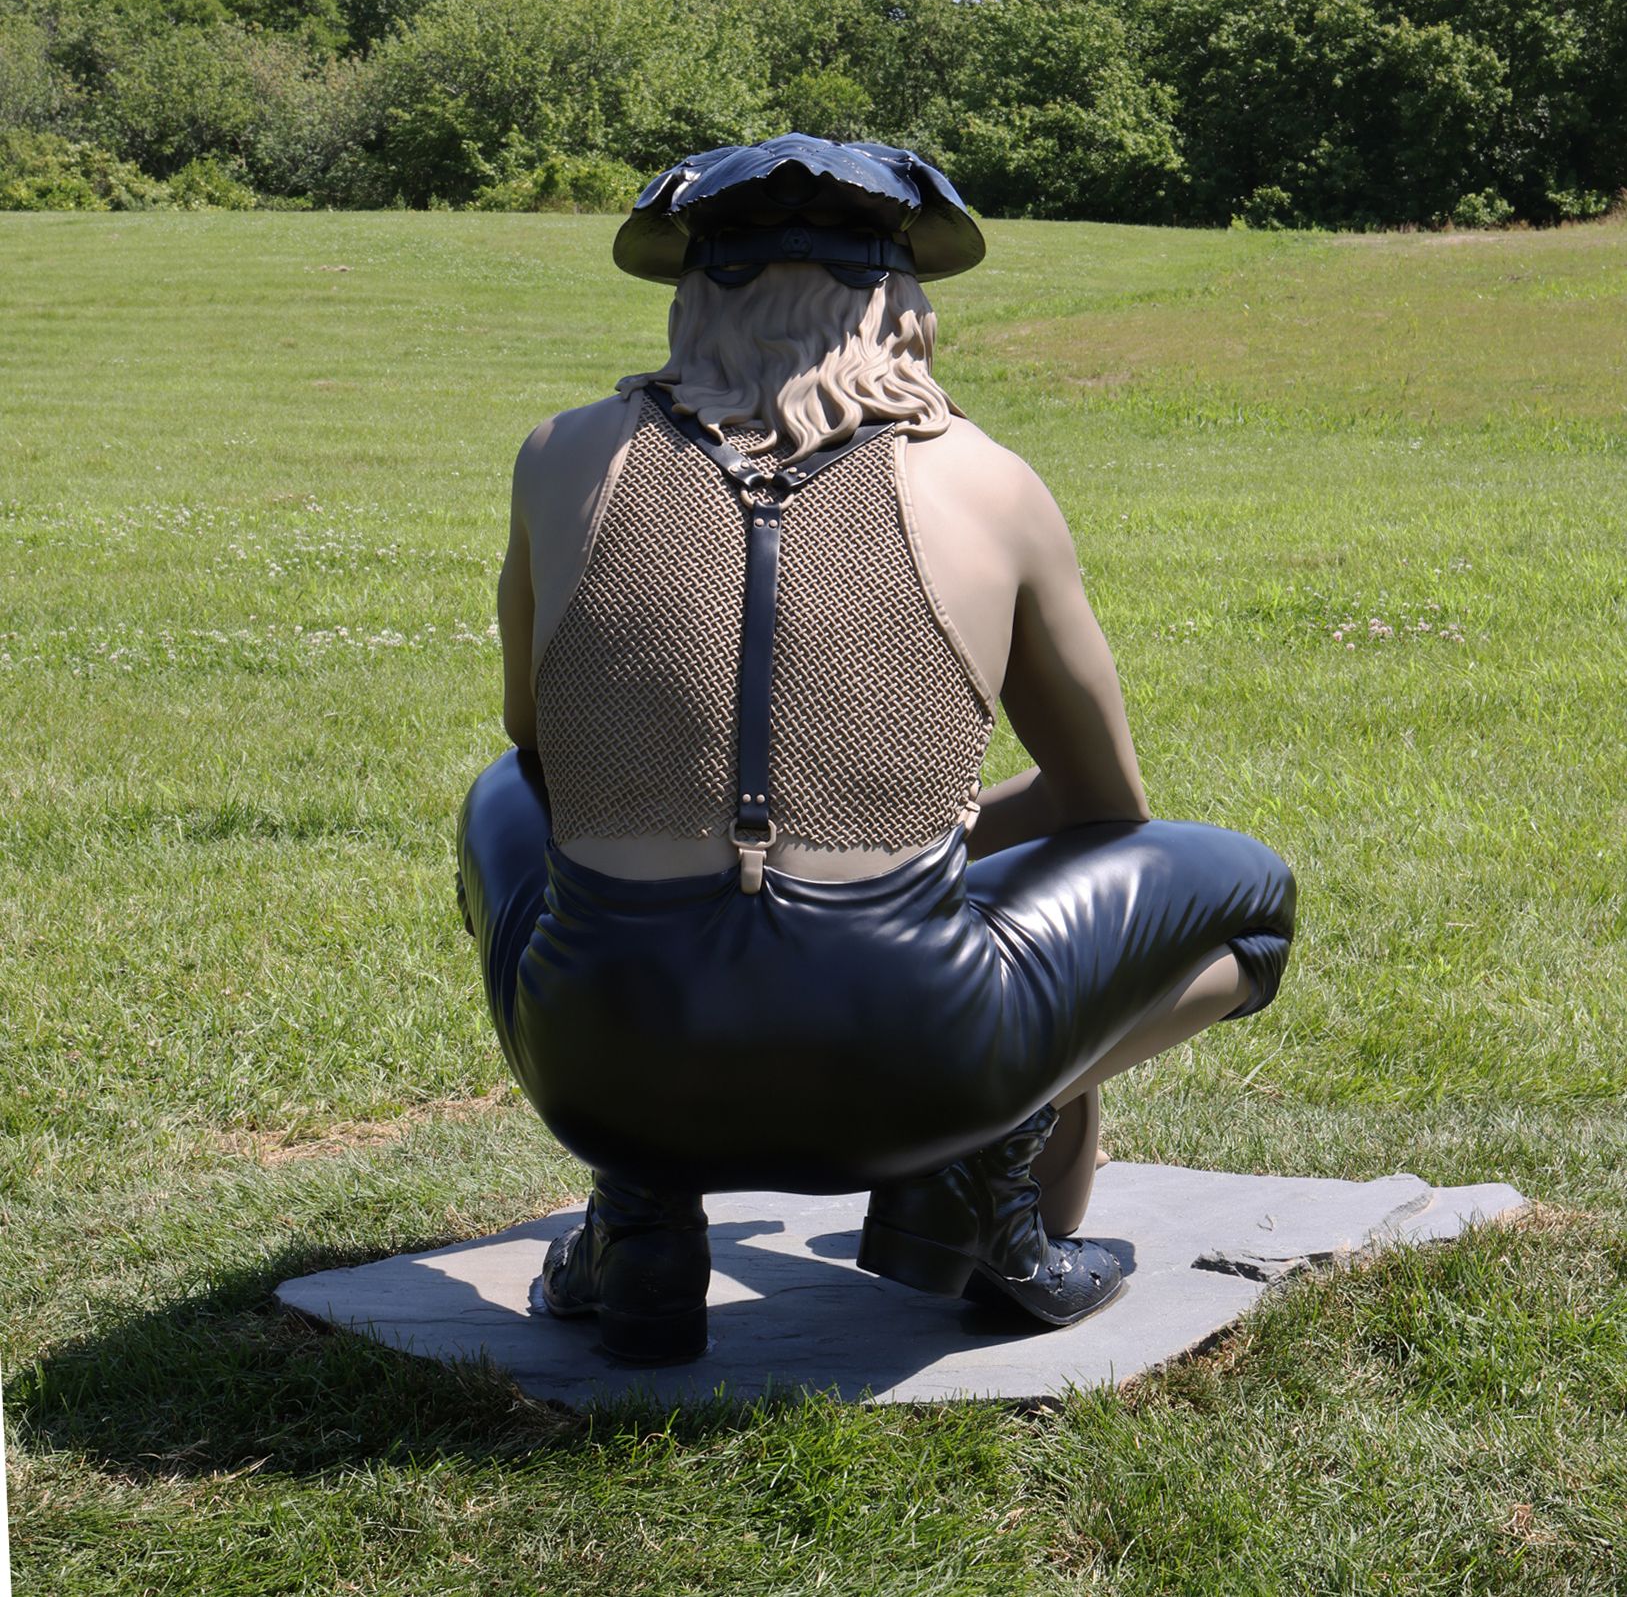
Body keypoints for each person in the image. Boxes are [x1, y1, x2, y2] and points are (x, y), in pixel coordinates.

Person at [458, 133, 1295, 1365]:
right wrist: (910, 838)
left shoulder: (562, 453)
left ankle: (641, 1213)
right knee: (1253, 903)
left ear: (692, 294)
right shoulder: (986, 478)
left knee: (505, 794)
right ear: (898, 304)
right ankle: (988, 1164)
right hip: (917, 1062)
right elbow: (1101, 802)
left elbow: (540, 739)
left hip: (601, 1062)